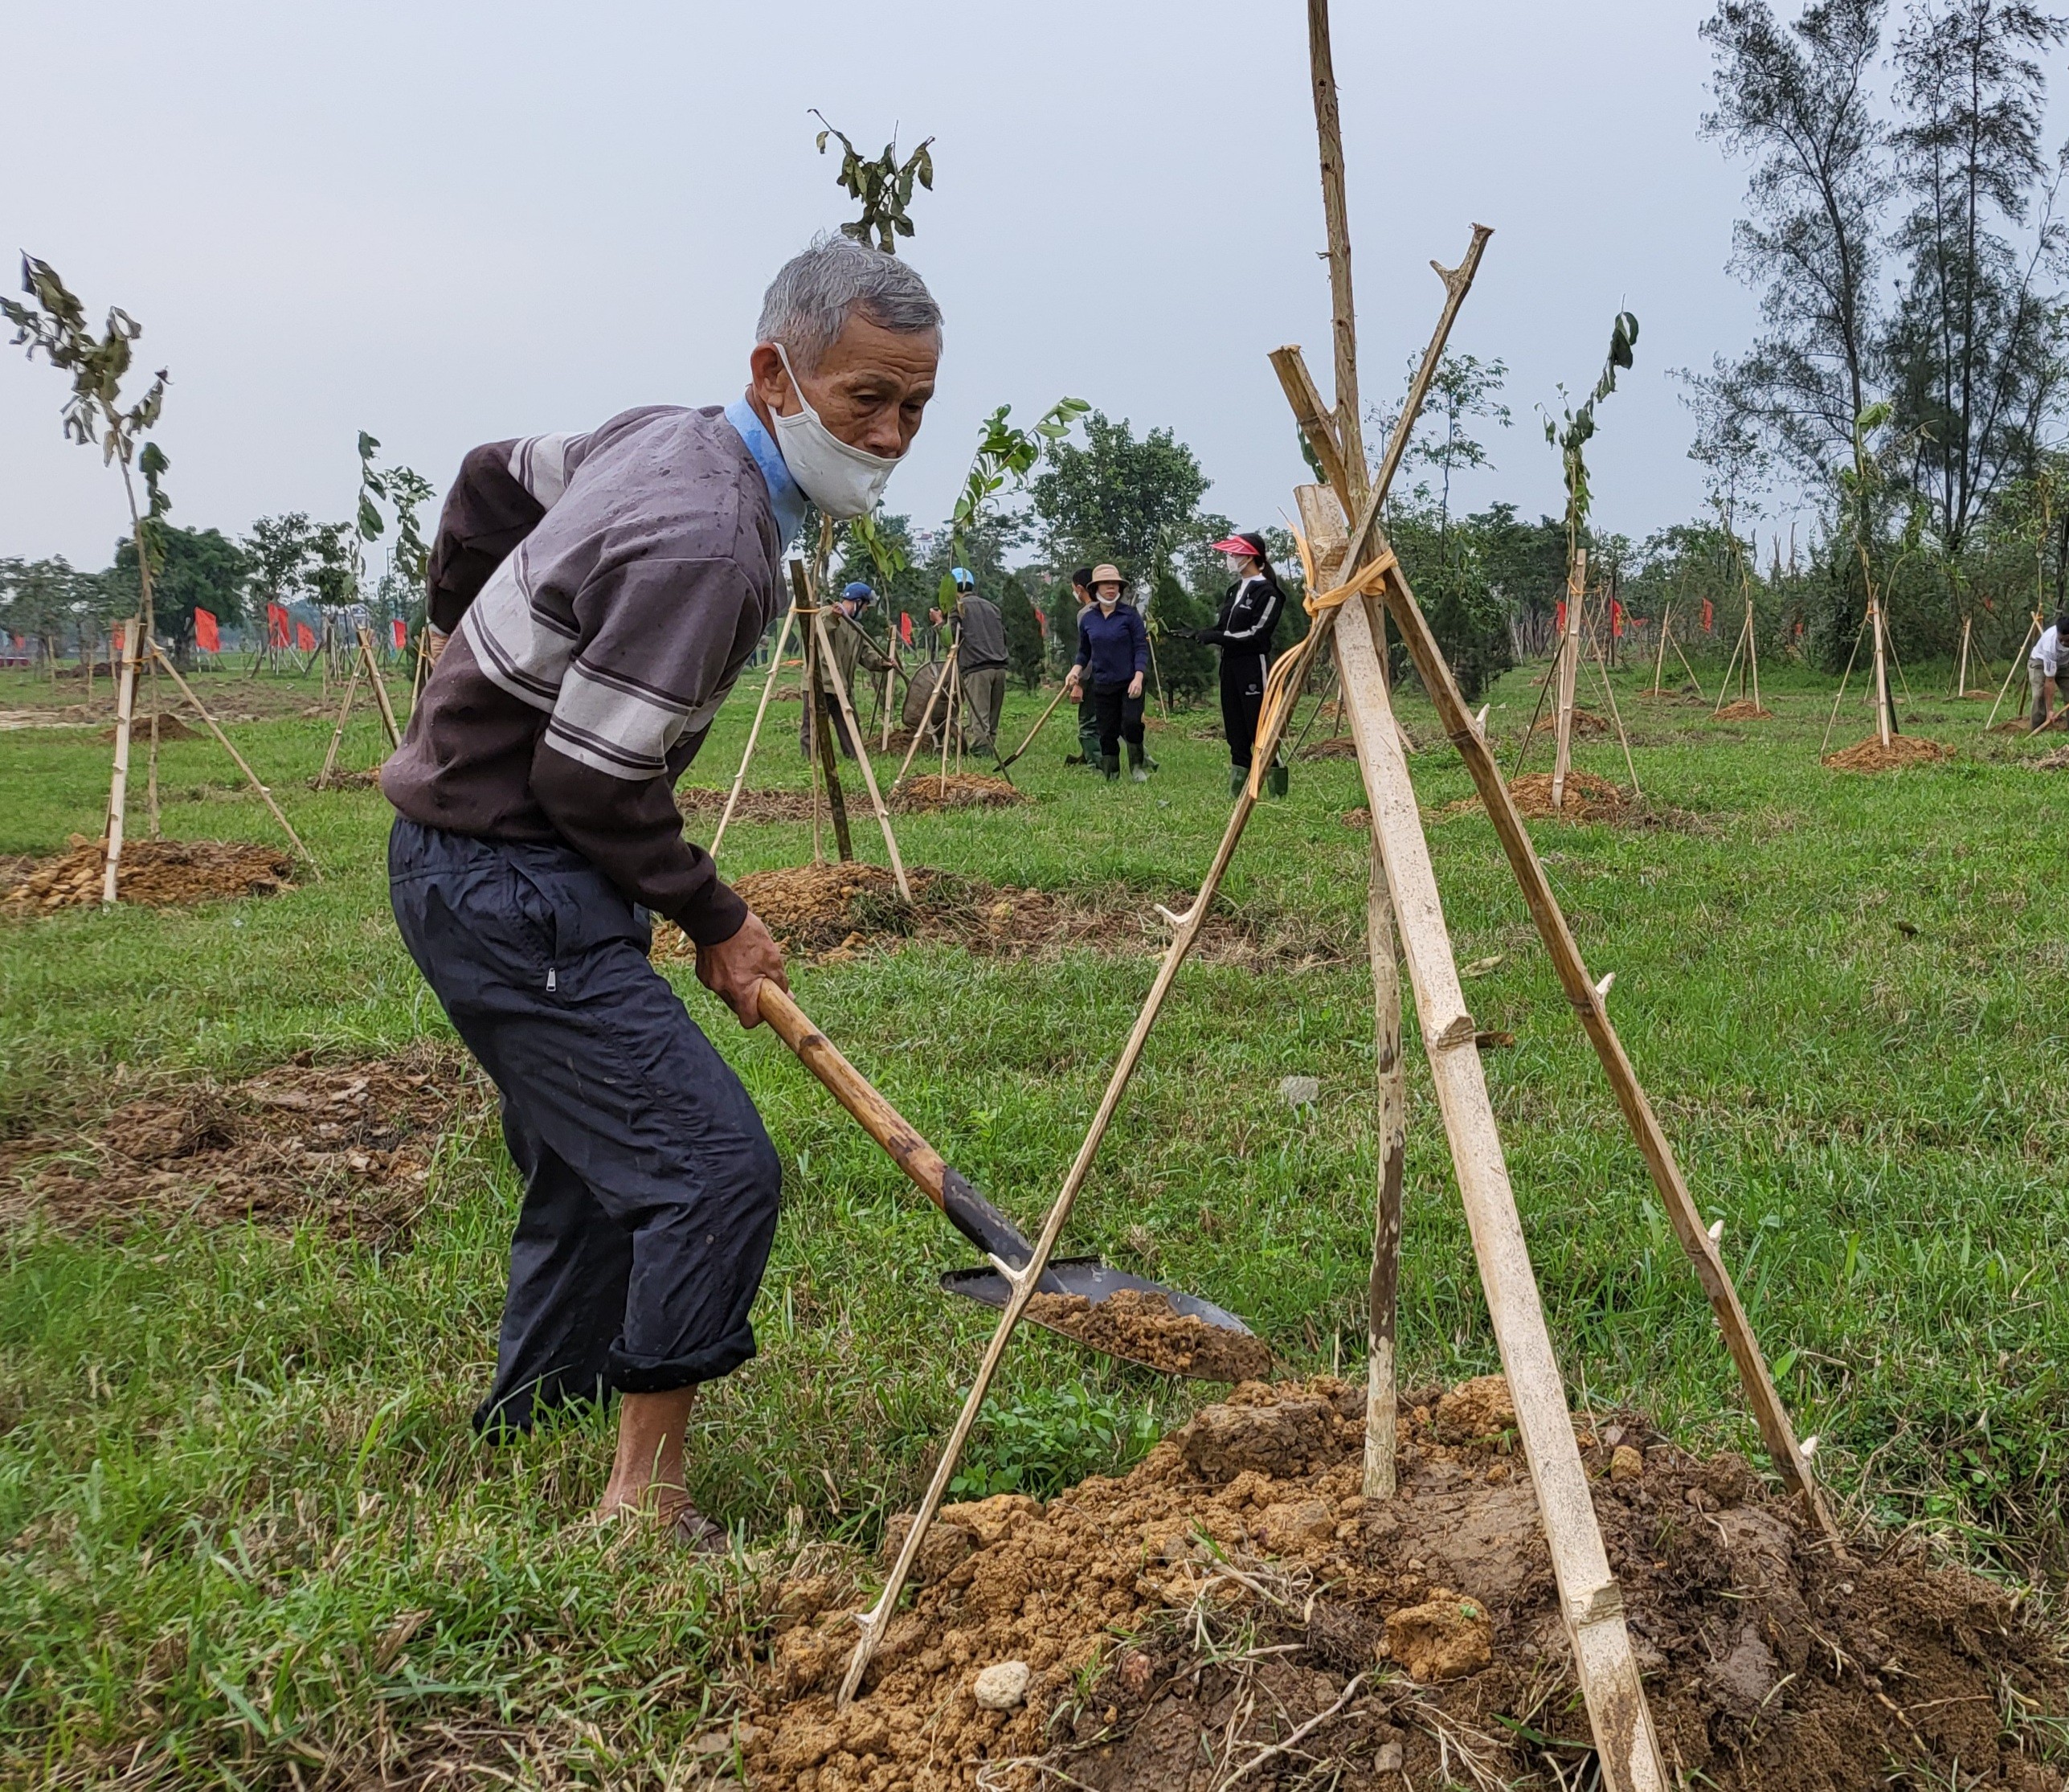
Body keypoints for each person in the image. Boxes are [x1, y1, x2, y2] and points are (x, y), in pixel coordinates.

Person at [380, 236, 941, 1546]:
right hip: (510, 878)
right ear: (776, 373)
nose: (896, 431)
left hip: (487, 861)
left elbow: (482, 478)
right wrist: (722, 918)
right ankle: (641, 1509)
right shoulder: (711, 545)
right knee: (706, 1167)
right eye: (867, 397)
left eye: (916, 403)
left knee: (595, 1161)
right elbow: (593, 783)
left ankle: (539, 1415)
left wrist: (451, 631)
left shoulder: (658, 437)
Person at [1188, 530, 1289, 797]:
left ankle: (1276, 785)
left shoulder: (1268, 592)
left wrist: (1219, 637)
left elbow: (1257, 635)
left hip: (1252, 665)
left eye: (1236, 554)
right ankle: (1238, 788)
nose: (1231, 558)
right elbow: (1224, 627)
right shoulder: (1234, 590)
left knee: (1258, 724)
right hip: (1229, 665)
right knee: (1233, 725)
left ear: (1251, 557)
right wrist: (1201, 633)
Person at [1065, 563, 1151, 781]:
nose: (1111, 588)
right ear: (1096, 589)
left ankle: (1137, 767)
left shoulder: (1129, 616)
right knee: (1107, 730)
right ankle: (1111, 773)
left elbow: (1141, 647)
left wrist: (1139, 677)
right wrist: (1075, 671)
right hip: (1103, 683)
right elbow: (1084, 652)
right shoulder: (1088, 619)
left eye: (1114, 584)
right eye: (1105, 584)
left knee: (1131, 723)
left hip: (1130, 681)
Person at [799, 579, 893, 759]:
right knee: (813, 725)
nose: (866, 611)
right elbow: (816, 632)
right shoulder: (826, 614)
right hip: (821, 682)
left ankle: (854, 757)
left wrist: (882, 663)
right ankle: (809, 759)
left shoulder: (856, 627)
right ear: (858, 603)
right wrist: (835, 617)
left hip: (842, 685)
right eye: (865, 606)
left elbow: (865, 653)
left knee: (849, 726)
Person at [930, 567, 1008, 757]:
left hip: (976, 668)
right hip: (1000, 667)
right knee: (992, 715)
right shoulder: (992, 607)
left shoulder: (959, 608)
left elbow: (952, 642)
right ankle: (990, 749)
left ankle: (982, 753)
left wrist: (940, 623)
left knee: (979, 716)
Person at [1062, 567, 1102, 768]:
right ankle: (1088, 757)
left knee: (1088, 724)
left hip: (1094, 676)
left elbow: (1088, 651)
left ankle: (1097, 764)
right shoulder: (1112, 610)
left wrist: (1080, 683)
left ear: (1080, 589)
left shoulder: (1086, 613)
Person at [2030, 613, 2069, 730]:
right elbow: (2050, 680)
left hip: (2065, 664)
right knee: (2038, 694)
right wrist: (2050, 710)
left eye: (2067, 641)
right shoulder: (2050, 645)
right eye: (2060, 640)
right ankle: (2038, 727)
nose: (2063, 643)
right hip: (2040, 661)